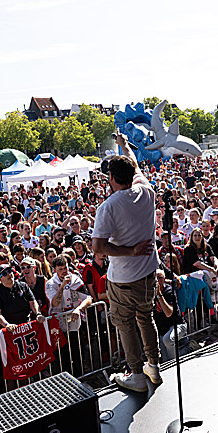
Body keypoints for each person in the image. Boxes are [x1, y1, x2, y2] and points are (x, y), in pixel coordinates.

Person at [91, 134, 161, 393]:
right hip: (148, 272)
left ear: (111, 178)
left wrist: (130, 251)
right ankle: (153, 366)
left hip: (123, 278)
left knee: (125, 323)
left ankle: (136, 375)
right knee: (146, 317)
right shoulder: (146, 190)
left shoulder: (108, 207)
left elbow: (98, 247)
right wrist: (124, 145)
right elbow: (136, 165)